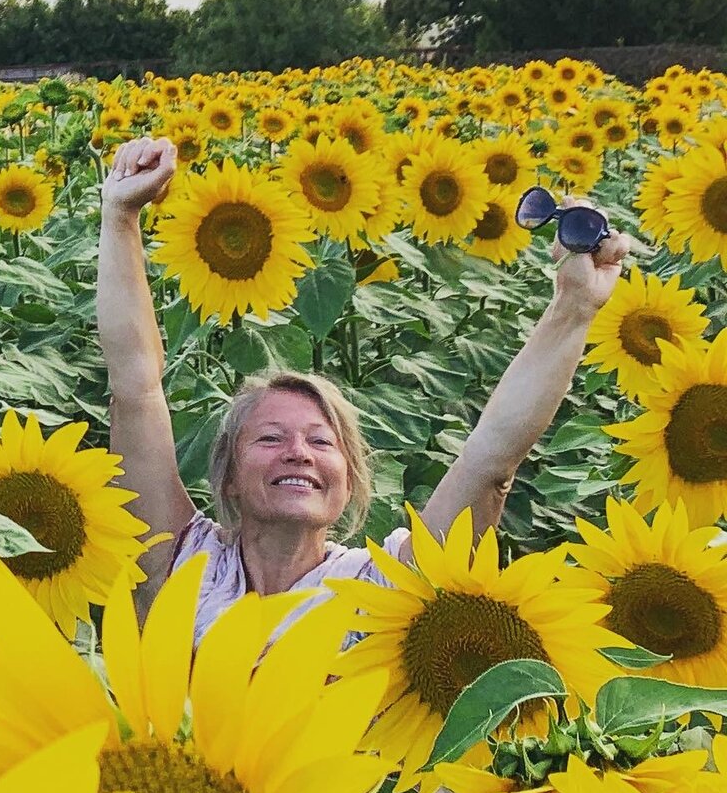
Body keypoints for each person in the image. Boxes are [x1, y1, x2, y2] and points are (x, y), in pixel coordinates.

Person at [96, 135, 633, 642]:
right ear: (228, 478)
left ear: (349, 483)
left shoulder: (382, 591)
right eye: (269, 439)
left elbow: (492, 461)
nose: (298, 453)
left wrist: (574, 308)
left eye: (321, 442)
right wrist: (120, 217)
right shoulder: (179, 561)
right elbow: (136, 386)